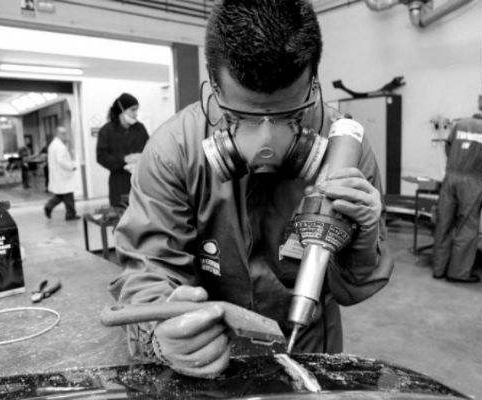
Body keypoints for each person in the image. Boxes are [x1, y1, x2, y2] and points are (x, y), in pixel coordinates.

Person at [109, 0, 393, 380]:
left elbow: (354, 288)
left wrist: (364, 234)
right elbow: (148, 268)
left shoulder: (345, 148)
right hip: (214, 348)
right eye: (239, 116)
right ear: (212, 84)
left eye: (289, 114)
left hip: (309, 346)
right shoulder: (175, 150)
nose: (265, 145)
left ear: (313, 82)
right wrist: (161, 334)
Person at [432, 92, 482, 283]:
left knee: (443, 224)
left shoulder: (461, 124)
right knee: (466, 227)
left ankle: (439, 269)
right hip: (471, 181)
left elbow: (448, 148)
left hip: (450, 177)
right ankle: (458, 273)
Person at [96, 93, 150, 207]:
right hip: (119, 182)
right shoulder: (107, 131)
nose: (136, 114)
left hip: (140, 181)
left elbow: (150, 148)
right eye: (133, 110)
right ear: (122, 110)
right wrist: (124, 159)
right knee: (122, 218)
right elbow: (101, 157)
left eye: (137, 110)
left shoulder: (140, 128)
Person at [43, 127, 79, 221]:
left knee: (61, 195)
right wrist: (72, 166)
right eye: (64, 134)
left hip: (58, 175)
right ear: (59, 134)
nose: (65, 136)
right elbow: (61, 160)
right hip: (63, 175)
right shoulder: (60, 146)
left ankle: (49, 206)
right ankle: (70, 214)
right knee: (68, 196)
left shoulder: (53, 145)